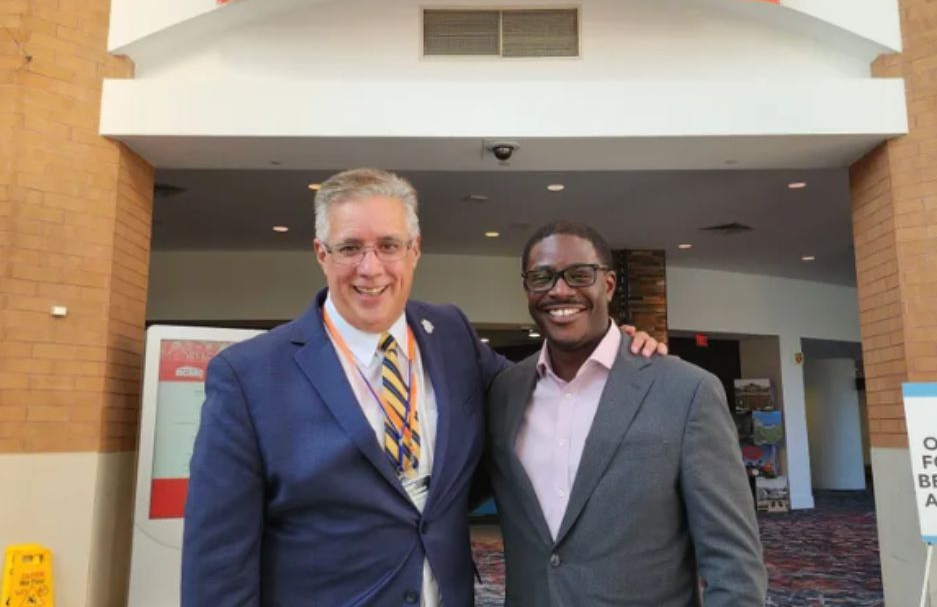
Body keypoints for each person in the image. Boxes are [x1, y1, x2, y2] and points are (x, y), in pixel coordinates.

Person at [181, 168, 662, 607]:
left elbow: (534, 385)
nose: (371, 268)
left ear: (414, 250)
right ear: (321, 254)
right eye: (350, 247)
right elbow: (218, 561)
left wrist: (614, 346)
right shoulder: (248, 376)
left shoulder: (450, 333)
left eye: (389, 245)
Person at [486, 219, 767, 607]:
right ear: (527, 288)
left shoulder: (685, 390)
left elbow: (733, 561)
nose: (560, 289)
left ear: (609, 284)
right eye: (542, 277)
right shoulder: (505, 392)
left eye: (579, 275)